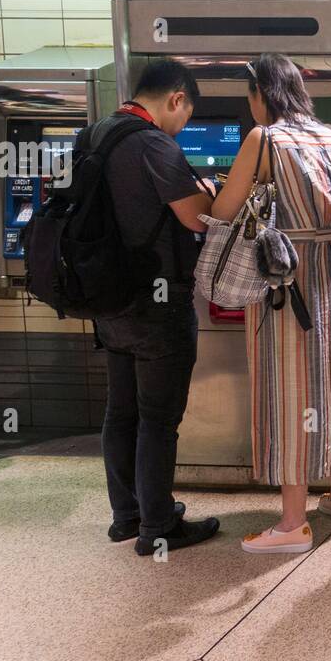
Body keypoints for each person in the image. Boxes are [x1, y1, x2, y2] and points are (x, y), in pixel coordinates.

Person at [211, 54, 331, 554]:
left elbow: (224, 210)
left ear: (262, 94)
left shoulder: (265, 139)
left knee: (290, 389)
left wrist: (210, 190)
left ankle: (293, 523)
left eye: (249, 95)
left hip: (286, 281)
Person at [94, 58, 220, 555]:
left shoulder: (97, 135)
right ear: (176, 99)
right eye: (186, 115)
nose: (183, 126)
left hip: (108, 299)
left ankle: (127, 516)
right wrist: (208, 190)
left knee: (121, 410)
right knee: (158, 418)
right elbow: (196, 218)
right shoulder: (152, 144)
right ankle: (159, 526)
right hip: (156, 302)